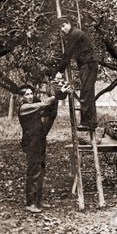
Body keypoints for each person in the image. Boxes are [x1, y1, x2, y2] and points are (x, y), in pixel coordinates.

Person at [18, 84, 70, 213]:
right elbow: (41, 105)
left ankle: (38, 201)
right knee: (33, 172)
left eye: (31, 94)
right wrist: (56, 95)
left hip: (39, 141)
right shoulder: (24, 108)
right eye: (27, 94)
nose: (30, 96)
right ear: (22, 97)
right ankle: (30, 203)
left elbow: (48, 109)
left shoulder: (33, 108)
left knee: (40, 171)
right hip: (31, 144)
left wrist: (58, 95)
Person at [55, 16, 98, 131]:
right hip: (87, 65)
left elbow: (68, 54)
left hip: (88, 65)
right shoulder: (74, 34)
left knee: (86, 93)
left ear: (68, 23)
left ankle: (87, 122)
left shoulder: (75, 34)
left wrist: (60, 70)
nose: (62, 30)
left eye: (63, 26)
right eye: (60, 28)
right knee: (88, 92)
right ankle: (92, 121)